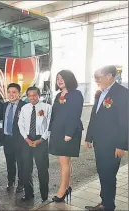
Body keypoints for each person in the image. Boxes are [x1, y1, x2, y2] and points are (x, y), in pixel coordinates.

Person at [84, 65, 128, 211]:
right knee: (103, 172)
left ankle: (108, 206)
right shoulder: (100, 93)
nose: (96, 80)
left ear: (109, 76)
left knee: (109, 175)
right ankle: (104, 203)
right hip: (99, 142)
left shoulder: (122, 93)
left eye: (98, 77)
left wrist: (122, 145)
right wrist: (89, 137)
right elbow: (94, 116)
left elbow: (125, 120)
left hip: (113, 144)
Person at [49, 70, 84, 202]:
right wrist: (50, 129)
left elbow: (75, 114)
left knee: (64, 162)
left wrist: (69, 133)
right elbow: (55, 114)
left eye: (62, 78)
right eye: (58, 78)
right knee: (65, 162)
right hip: (58, 131)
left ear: (69, 79)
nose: (59, 80)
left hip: (69, 132)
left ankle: (62, 191)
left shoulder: (76, 94)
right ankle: (67, 187)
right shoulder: (58, 95)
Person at [18, 86, 52, 202]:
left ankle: (44, 195)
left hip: (40, 140)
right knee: (26, 169)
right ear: (27, 96)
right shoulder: (24, 108)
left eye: (34, 95)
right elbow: (20, 125)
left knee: (42, 169)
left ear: (39, 95)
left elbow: (49, 126)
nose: (32, 97)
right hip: (27, 140)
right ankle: (28, 194)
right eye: (29, 95)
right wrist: (26, 139)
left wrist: (41, 139)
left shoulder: (47, 107)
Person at [2, 83, 27, 193]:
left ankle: (21, 184)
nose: (11, 94)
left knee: (21, 163)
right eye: (9, 92)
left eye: (14, 92)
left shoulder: (24, 106)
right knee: (9, 162)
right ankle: (11, 181)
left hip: (20, 140)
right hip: (7, 139)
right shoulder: (5, 105)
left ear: (19, 93)